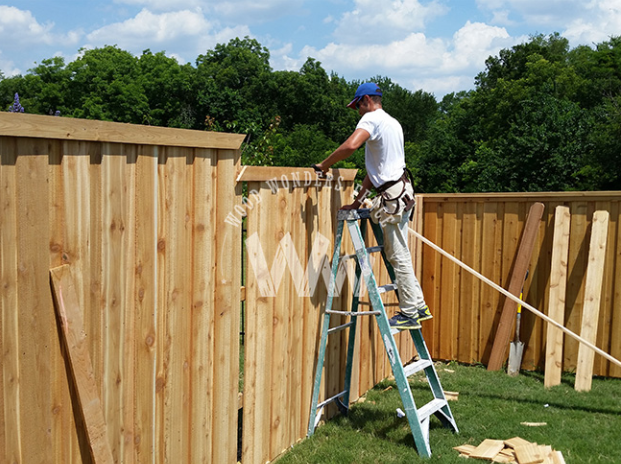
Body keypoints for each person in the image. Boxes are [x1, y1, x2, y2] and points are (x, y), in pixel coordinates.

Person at [312, 82, 431, 330]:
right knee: (401, 253)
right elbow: (375, 172)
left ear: (366, 99)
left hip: (392, 196)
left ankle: (410, 312)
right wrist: (357, 201)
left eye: (357, 105)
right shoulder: (392, 123)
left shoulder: (371, 120)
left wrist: (324, 164)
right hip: (400, 192)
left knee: (398, 256)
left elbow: (350, 146)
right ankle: (418, 305)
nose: (357, 111)